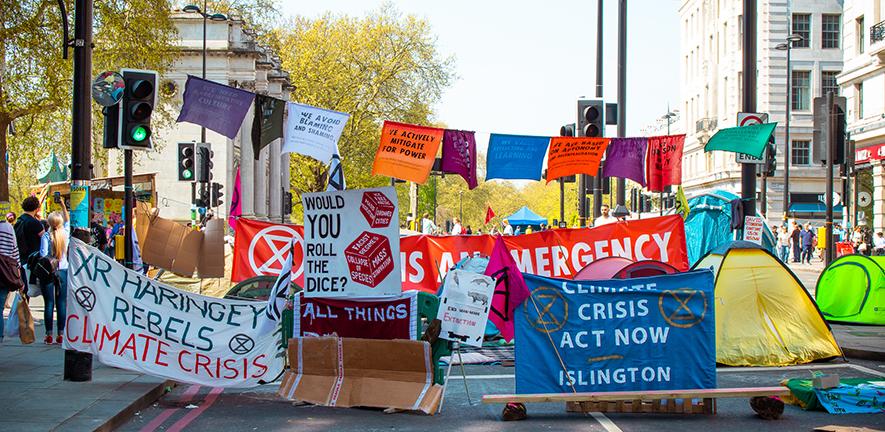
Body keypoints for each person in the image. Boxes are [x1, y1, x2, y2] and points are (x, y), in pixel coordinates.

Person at [39, 203, 69, 344]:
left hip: (49, 272)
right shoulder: (66, 233)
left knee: (49, 303)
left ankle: (49, 334)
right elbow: (68, 221)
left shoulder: (46, 235)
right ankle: (61, 334)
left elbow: (43, 254)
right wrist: (63, 206)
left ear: (49, 222)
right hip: (63, 270)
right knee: (61, 303)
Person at [15, 196, 45, 287]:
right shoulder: (34, 223)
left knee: (25, 285)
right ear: (36, 209)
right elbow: (44, 238)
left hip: (22, 257)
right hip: (33, 259)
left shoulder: (19, 220)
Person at [0, 216, 20, 342]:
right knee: (0, 307)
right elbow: (15, 250)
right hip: (5, 272)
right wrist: (18, 273)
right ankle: (0, 336)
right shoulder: (8, 227)